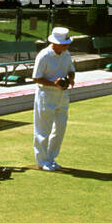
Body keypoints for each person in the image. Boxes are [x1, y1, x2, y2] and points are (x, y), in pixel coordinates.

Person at [31, 26, 76, 171]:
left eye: (67, 43)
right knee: (43, 130)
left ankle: (51, 158)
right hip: (46, 95)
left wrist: (70, 79)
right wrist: (54, 84)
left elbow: (71, 70)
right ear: (55, 43)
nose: (67, 46)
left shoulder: (66, 53)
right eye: (64, 43)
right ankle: (42, 161)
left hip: (62, 95)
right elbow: (36, 78)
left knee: (60, 128)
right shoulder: (44, 55)